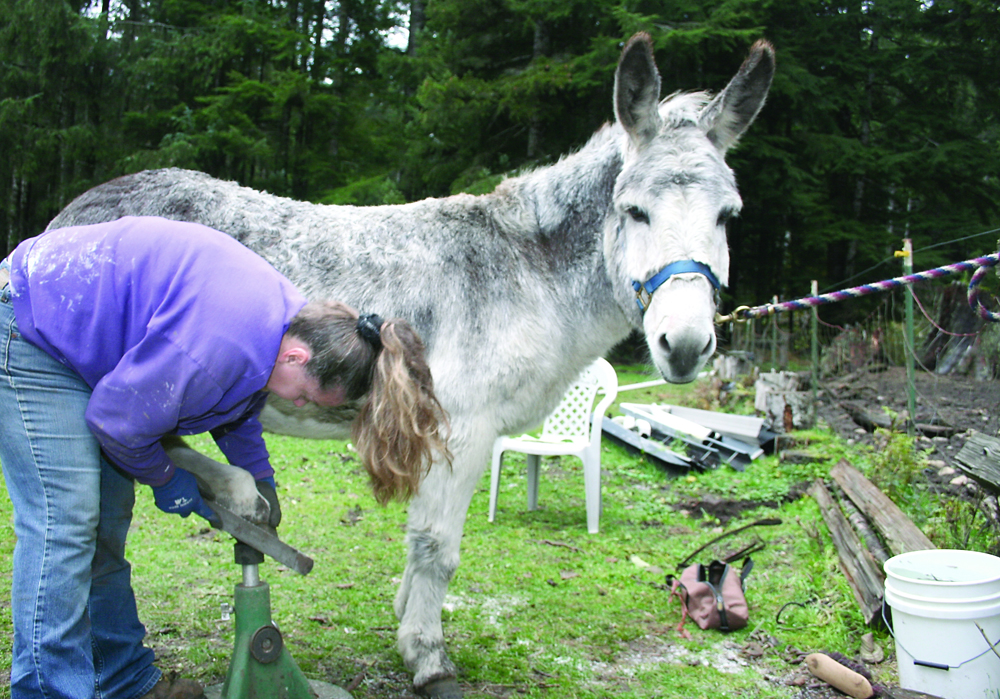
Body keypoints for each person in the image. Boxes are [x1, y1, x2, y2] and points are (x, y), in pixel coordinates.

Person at [0, 216, 449, 699]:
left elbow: (238, 401)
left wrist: (260, 476)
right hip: (32, 321)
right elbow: (117, 423)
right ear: (297, 358)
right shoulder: (222, 343)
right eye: (304, 397)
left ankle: (122, 681)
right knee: (67, 525)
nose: (298, 405)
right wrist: (170, 483)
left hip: (86, 343)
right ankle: (46, 691)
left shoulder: (286, 328)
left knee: (103, 526)